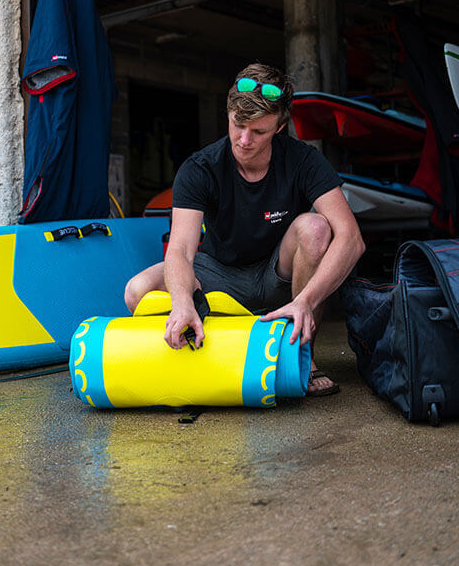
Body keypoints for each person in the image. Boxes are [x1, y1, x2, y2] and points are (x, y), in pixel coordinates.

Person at [125, 62, 365, 396]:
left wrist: (306, 302)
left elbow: (352, 239)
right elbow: (180, 249)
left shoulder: (304, 160)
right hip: (218, 273)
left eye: (259, 131)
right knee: (137, 289)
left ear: (280, 127)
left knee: (315, 227)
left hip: (277, 276)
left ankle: (300, 355)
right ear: (229, 113)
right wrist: (181, 300)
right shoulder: (200, 168)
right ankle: (202, 344)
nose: (244, 139)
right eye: (238, 125)